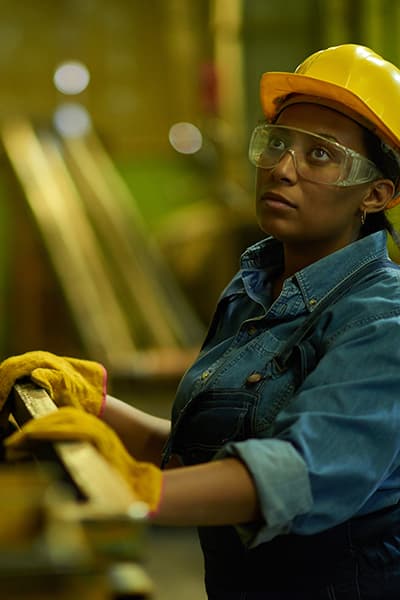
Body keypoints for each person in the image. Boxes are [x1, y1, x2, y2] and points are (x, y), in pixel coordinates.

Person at [2, 43, 400, 599]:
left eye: (319, 155)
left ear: (378, 193)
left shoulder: (384, 322)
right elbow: (208, 453)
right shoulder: (253, 291)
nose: (282, 168)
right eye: (277, 143)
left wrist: (131, 490)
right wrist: (89, 402)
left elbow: (294, 473)